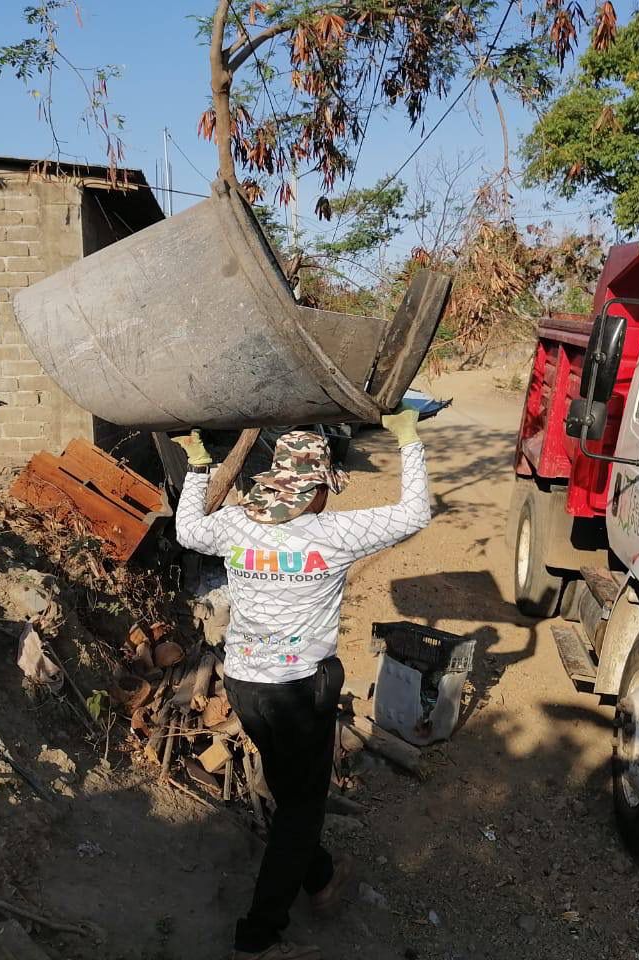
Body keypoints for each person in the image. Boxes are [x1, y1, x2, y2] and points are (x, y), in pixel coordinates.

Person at [173, 408, 431, 960]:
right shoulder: (333, 533)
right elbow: (415, 512)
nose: (328, 500)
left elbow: (187, 529)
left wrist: (198, 465)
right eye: (324, 491)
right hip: (298, 690)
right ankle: (257, 939)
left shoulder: (237, 524)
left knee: (291, 792)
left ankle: (321, 878)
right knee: (301, 809)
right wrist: (408, 439)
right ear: (313, 492)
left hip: (244, 684)